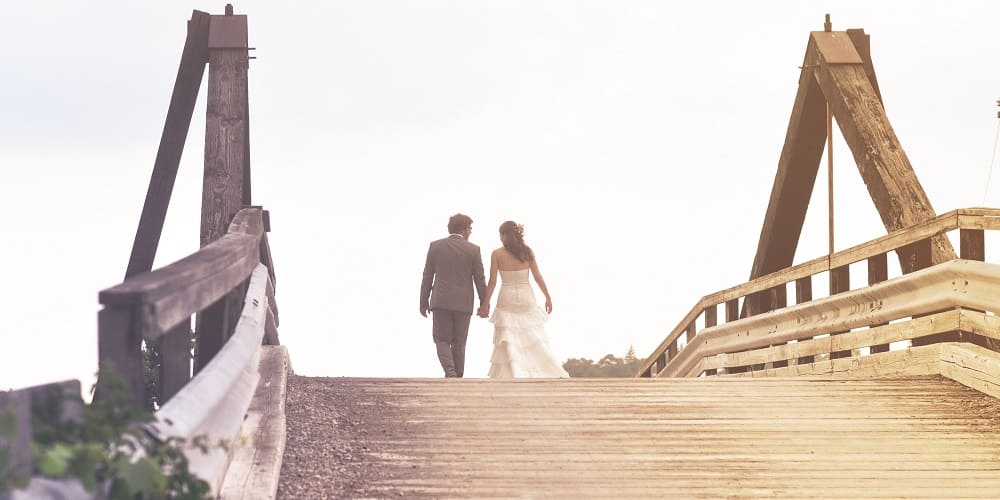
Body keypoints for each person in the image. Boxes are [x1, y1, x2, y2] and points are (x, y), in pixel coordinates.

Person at [480, 221, 569, 378]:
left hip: (506, 297)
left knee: (509, 334)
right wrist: (547, 297)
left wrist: (485, 304)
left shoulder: (496, 254)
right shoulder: (527, 252)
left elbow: (492, 282)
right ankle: (542, 369)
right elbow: (537, 277)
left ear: (502, 235)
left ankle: (514, 372)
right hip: (526, 296)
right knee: (532, 334)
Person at [420, 214, 488, 378]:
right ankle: (457, 376)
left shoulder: (435, 246)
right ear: (464, 229)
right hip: (464, 304)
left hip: (440, 301)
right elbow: (480, 279)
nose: (470, 232)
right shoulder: (473, 250)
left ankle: (450, 373)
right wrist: (484, 303)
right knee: (460, 342)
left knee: (441, 339)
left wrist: (423, 301)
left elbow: (427, 276)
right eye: (470, 228)